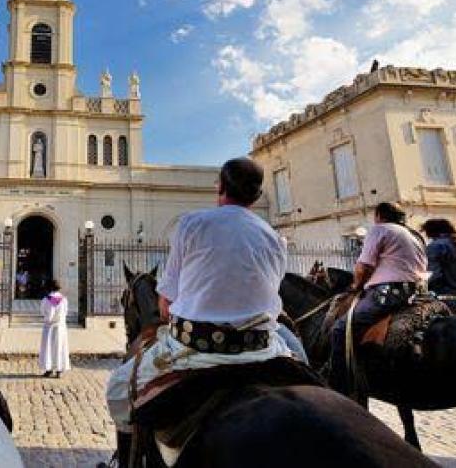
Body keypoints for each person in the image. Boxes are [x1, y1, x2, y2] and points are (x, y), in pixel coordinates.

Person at [106, 158, 293, 432]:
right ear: (256, 195)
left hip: (196, 349)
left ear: (220, 187)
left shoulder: (192, 223)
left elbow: (165, 305)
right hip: (261, 348)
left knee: (118, 393)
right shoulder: (275, 238)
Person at [329, 202, 426, 396]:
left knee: (340, 329)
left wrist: (356, 285)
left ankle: (341, 387)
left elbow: (363, 266)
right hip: (415, 292)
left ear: (379, 216)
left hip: (387, 294)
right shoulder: (413, 235)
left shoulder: (380, 230)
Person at [39, 279, 69, 378]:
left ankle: (49, 369)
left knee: (49, 348)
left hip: (49, 327)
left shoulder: (46, 300)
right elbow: (65, 312)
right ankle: (59, 370)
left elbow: (44, 313)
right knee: (60, 348)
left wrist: (48, 318)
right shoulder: (64, 300)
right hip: (60, 327)